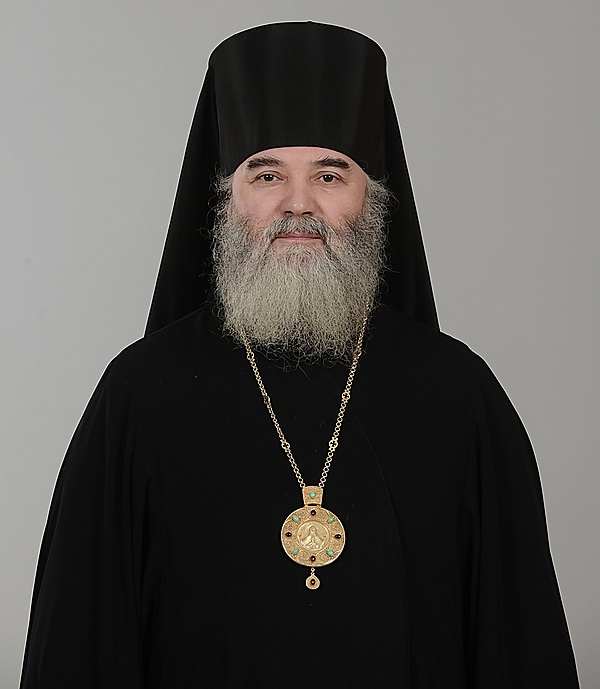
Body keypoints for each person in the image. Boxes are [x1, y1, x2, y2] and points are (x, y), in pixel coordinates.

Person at [20, 22, 579, 688]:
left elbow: (520, 647)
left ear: (373, 198)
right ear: (226, 198)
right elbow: (79, 647)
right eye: (266, 175)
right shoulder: (139, 397)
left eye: (330, 175)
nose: (298, 205)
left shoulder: (459, 396)